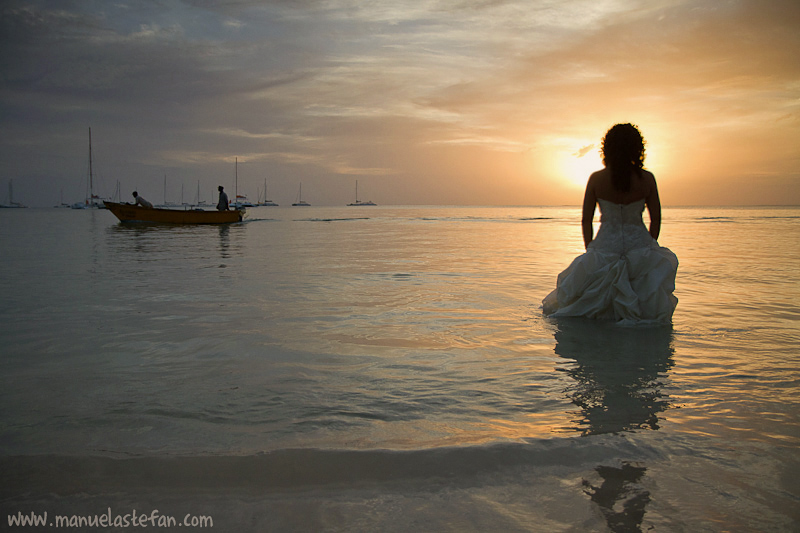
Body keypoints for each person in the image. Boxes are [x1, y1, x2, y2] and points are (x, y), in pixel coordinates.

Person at [542, 123, 678, 323]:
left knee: (589, 304)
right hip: (639, 244)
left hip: (605, 244)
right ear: (637, 148)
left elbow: (586, 219)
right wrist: (648, 246)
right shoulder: (647, 179)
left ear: (607, 148)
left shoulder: (597, 179)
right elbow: (655, 218)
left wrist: (590, 248)